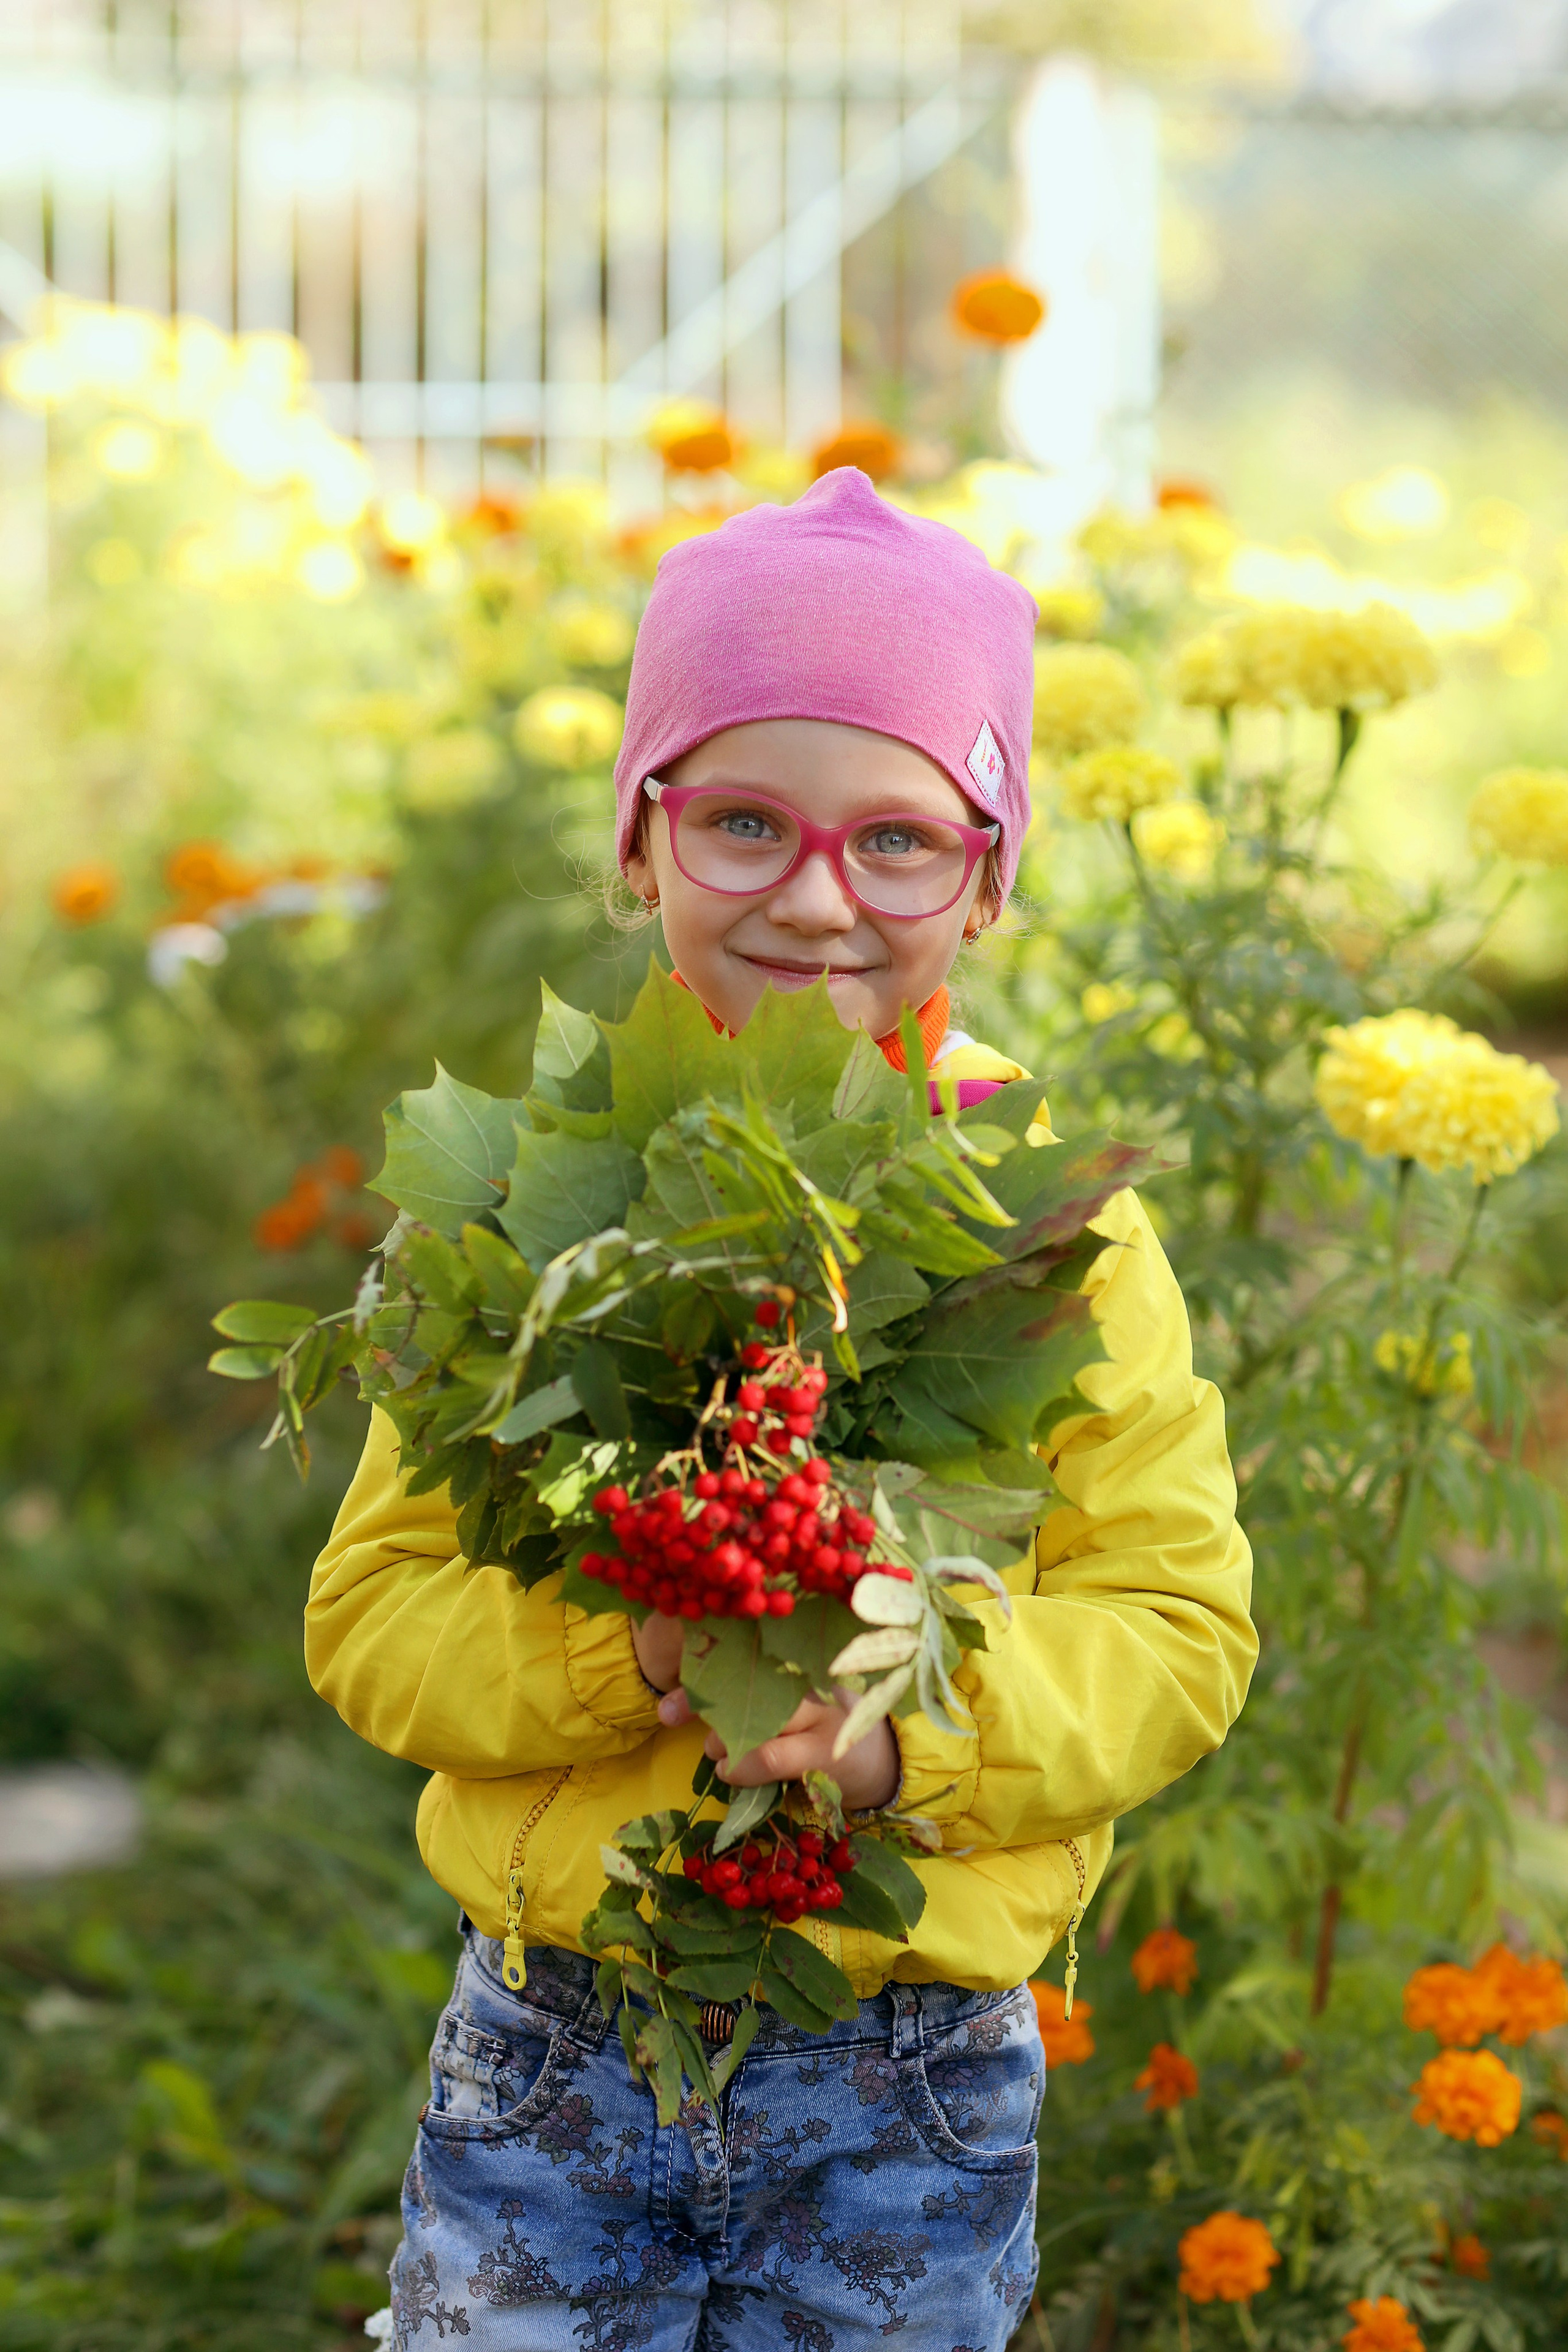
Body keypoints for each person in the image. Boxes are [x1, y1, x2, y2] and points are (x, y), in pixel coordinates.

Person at [307, 469, 1256, 2351]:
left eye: (898, 840)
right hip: (556, 2047)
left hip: (904, 2069)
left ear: (987, 879)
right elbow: (373, 1621)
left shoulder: (1044, 1226)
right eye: (745, 820)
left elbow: (1175, 1633)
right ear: (640, 848)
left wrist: (904, 1729)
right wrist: (632, 1649)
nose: (819, 896)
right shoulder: (529, 1203)